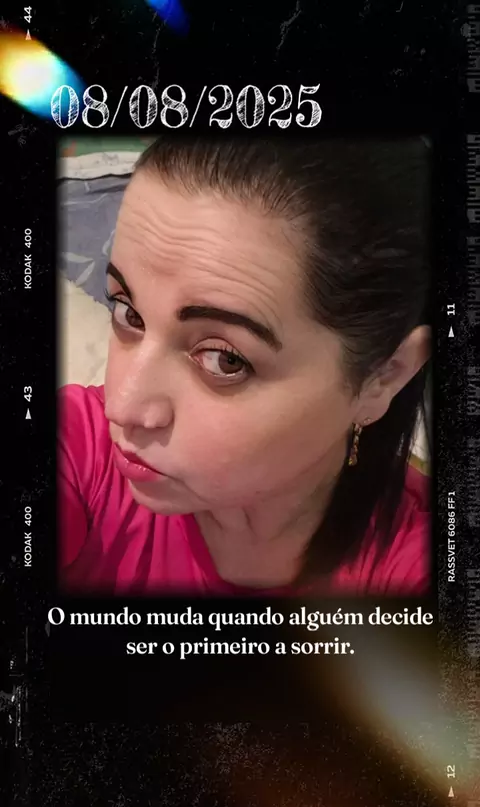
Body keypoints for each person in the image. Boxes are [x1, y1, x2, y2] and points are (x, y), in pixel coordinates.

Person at [58, 136, 431, 596]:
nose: (121, 405)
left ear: (383, 376)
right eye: (128, 313)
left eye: (224, 358)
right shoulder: (78, 448)